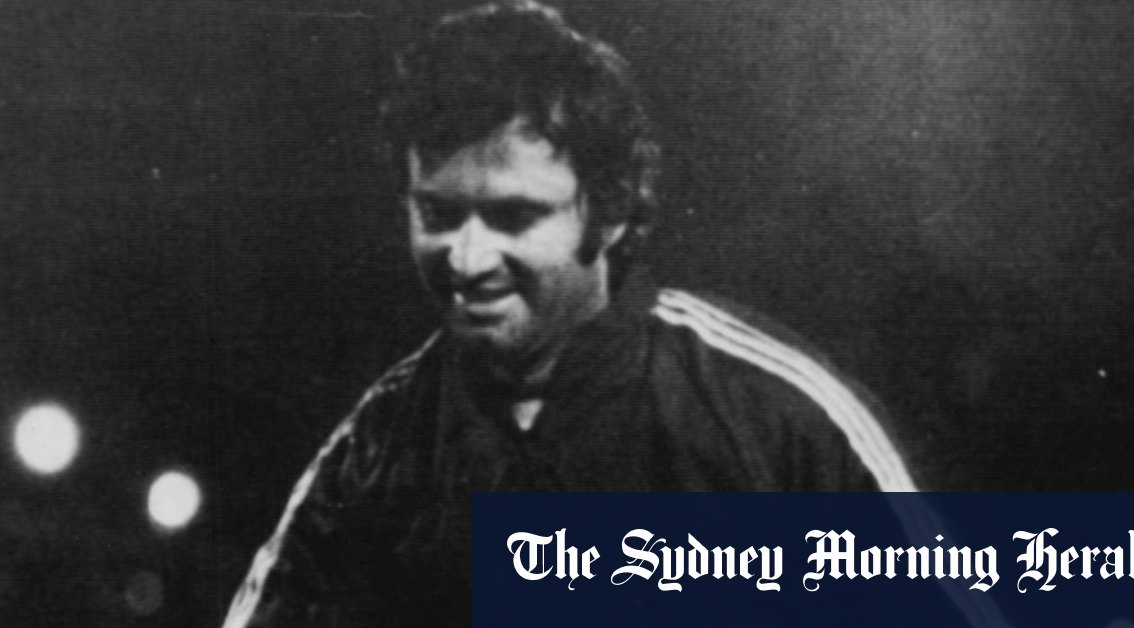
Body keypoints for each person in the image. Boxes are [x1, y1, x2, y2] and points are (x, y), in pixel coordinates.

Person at [223, 2, 915, 626]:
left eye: (513, 216)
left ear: (610, 210)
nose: (467, 259)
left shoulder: (776, 416)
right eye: (437, 213)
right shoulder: (376, 448)